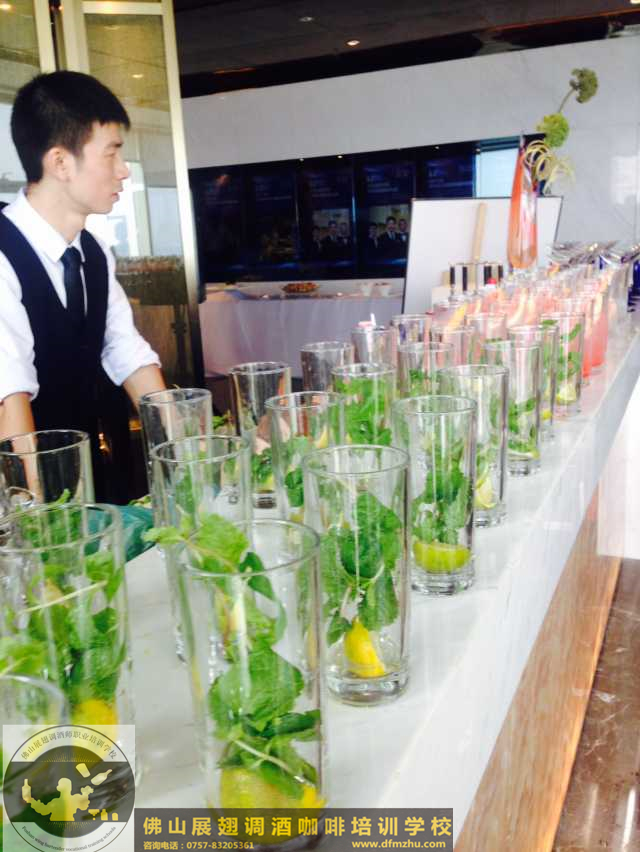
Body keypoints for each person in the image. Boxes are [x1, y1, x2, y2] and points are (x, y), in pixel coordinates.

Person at [0, 71, 166, 499]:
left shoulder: (92, 252)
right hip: (21, 487)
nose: (124, 171)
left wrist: (188, 449)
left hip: (81, 474)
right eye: (111, 153)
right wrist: (36, 519)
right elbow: (9, 396)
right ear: (60, 163)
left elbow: (126, 351)